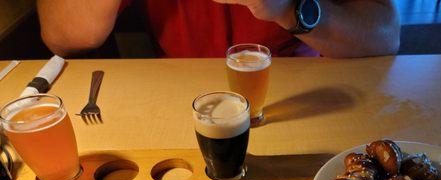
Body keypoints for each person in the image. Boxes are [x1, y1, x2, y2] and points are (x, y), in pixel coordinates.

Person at [37, 0, 400, 58]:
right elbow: (65, 35)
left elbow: (384, 36)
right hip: (176, 92)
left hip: (302, 81)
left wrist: (286, 7)